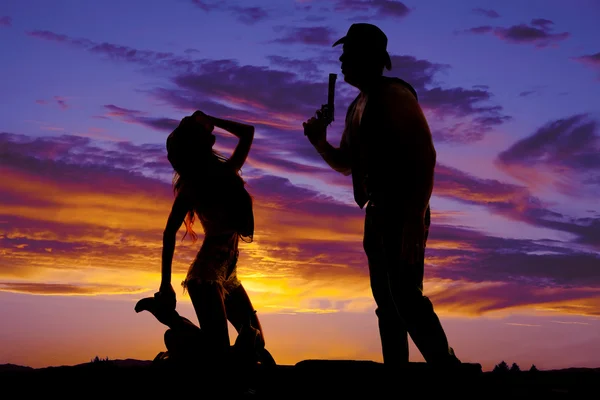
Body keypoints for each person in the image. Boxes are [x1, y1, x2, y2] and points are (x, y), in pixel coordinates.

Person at [303, 23, 461, 368]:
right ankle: (397, 374)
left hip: (403, 208)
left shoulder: (394, 94)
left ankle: (448, 369)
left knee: (405, 296)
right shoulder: (357, 105)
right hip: (376, 210)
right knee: (387, 304)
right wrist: (318, 141)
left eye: (349, 53)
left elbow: (425, 156)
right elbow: (346, 164)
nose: (342, 59)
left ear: (370, 58)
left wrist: (414, 220)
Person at [153, 110, 267, 369]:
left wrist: (213, 120)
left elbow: (247, 133)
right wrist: (165, 284)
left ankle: (178, 332)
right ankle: (174, 326)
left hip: (229, 274)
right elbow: (169, 232)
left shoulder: (226, 171)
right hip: (205, 276)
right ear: (197, 144)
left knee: (256, 343)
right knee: (220, 354)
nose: (211, 133)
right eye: (205, 132)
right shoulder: (192, 186)